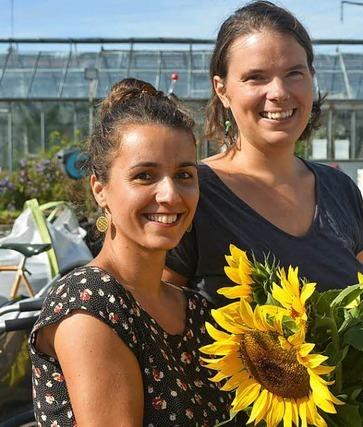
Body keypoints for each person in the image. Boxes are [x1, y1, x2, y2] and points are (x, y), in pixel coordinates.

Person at [29, 78, 231, 426]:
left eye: (184, 174)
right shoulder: (90, 303)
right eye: (144, 175)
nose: (170, 194)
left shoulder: (195, 309)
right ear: (100, 190)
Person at [164, 1, 363, 300]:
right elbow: (154, 317)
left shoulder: (341, 192)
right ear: (222, 90)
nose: (279, 92)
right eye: (256, 77)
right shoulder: (191, 193)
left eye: (294, 74)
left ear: (311, 78)